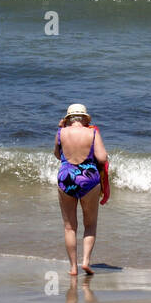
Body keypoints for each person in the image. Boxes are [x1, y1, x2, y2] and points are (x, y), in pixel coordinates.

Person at [53, 103, 110, 276]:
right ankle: (85, 262)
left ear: (68, 119)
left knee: (70, 227)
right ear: (85, 118)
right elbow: (101, 157)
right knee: (90, 224)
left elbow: (57, 155)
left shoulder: (60, 133)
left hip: (66, 177)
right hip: (89, 179)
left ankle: (72, 267)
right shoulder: (92, 132)